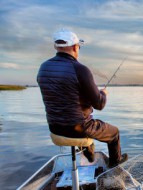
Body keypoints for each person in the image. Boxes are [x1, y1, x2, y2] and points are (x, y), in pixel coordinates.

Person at [37, 28, 128, 168]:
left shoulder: (43, 67)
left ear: (56, 46)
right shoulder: (80, 69)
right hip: (78, 128)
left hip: (54, 127)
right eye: (78, 46)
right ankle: (115, 166)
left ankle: (89, 153)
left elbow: (64, 93)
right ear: (75, 47)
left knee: (86, 123)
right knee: (114, 132)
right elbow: (99, 104)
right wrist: (103, 94)